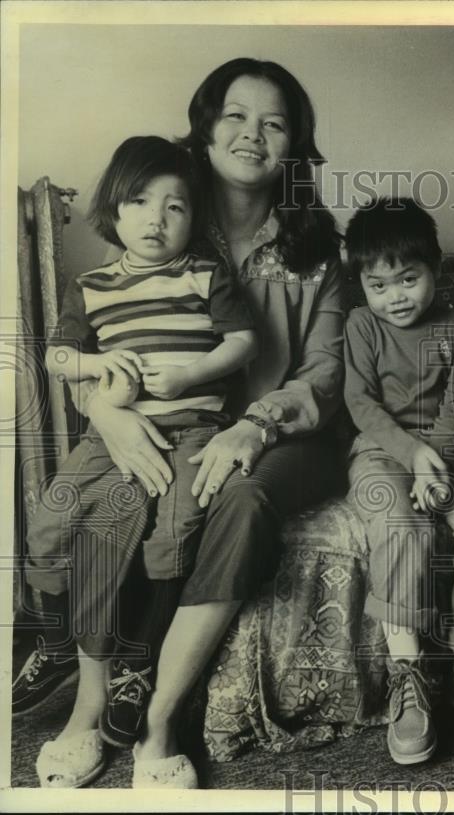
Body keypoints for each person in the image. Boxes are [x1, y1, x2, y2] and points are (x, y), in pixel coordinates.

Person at [19, 58, 345, 789]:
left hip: (286, 434)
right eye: (235, 114)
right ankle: (92, 705)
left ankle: (159, 719)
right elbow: (101, 345)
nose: (252, 133)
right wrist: (109, 415)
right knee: (116, 499)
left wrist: (254, 425)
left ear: (295, 144)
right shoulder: (159, 220)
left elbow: (324, 375)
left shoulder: (319, 250)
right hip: (161, 421)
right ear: (205, 127)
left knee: (241, 495)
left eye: (275, 121)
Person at [22, 135, 257, 787]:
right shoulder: (90, 286)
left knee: (173, 529)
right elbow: (58, 357)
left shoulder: (206, 273)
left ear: (194, 218)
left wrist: (192, 374)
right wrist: (96, 366)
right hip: (110, 434)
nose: (156, 218)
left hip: (191, 429)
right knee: (49, 523)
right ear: (112, 210)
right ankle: (53, 642)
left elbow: (242, 340)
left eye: (175, 206)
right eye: (139, 200)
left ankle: (137, 660)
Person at [344, 197, 454, 764]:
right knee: (401, 525)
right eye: (379, 284)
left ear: (436, 271)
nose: (395, 296)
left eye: (408, 279)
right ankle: (408, 671)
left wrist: (434, 462)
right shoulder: (362, 326)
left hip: (449, 452)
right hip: (381, 449)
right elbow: (361, 403)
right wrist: (411, 455)